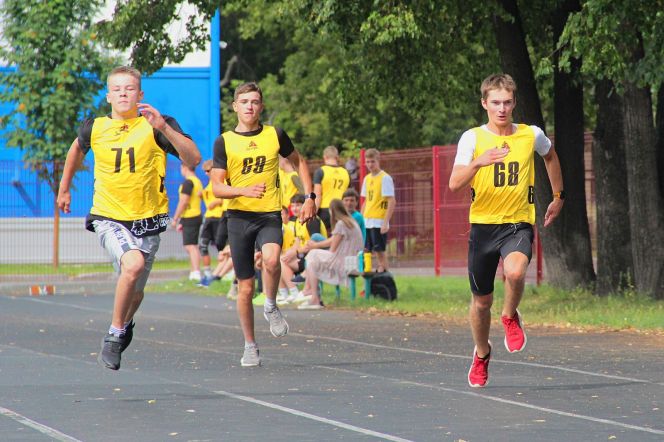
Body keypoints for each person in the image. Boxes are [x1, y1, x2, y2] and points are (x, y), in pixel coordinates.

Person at [56, 65, 200, 370]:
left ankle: (125, 323)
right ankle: (114, 333)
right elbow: (76, 151)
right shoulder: (94, 127)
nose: (123, 93)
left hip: (148, 220)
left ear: (140, 94)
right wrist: (64, 188)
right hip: (109, 216)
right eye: (117, 89)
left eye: (129, 89)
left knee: (136, 293)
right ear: (108, 95)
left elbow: (193, 158)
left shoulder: (155, 125)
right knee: (131, 264)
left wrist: (164, 128)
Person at [448, 73, 564, 388]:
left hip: (517, 223)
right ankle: (482, 353)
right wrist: (478, 163)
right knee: (481, 303)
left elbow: (550, 156)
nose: (502, 108)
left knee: (515, 273)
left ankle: (510, 315)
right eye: (495, 102)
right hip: (483, 228)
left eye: (507, 102)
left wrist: (557, 196)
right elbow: (454, 183)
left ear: (514, 103)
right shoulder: (472, 138)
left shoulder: (530, 134)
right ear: (485, 103)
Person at [209, 81, 315, 367]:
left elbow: (299, 162)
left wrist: (310, 196)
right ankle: (250, 345)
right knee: (244, 288)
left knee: (271, 260)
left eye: (255, 102)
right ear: (235, 106)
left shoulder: (274, 134)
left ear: (261, 106)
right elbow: (217, 188)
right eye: (244, 102)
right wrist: (242, 190)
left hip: (269, 213)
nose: (250, 107)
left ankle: (270, 304)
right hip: (238, 216)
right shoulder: (224, 141)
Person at [297, 199, 364, 309]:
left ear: (332, 211)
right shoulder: (350, 222)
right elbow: (333, 240)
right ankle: (312, 294)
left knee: (312, 256)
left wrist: (314, 246)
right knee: (313, 258)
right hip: (353, 261)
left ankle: (312, 295)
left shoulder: (341, 224)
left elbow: (333, 249)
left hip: (345, 262)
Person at [279, 194, 327, 303]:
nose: (295, 208)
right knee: (280, 259)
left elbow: (315, 242)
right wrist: (290, 252)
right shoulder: (297, 221)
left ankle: (296, 292)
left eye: (298, 205)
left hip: (318, 255)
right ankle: (287, 294)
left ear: (305, 206)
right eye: (293, 206)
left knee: (282, 261)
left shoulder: (312, 219)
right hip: (304, 255)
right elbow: (297, 242)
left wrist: (295, 252)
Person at [360, 148, 396, 273]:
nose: (370, 165)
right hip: (367, 220)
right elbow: (366, 201)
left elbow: (391, 201)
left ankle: (385, 273)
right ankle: (369, 275)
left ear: (378, 161)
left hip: (378, 220)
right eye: (368, 162)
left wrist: (385, 222)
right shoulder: (367, 179)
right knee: (366, 250)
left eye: (372, 162)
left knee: (379, 250)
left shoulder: (385, 178)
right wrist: (360, 219)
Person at [171, 164, 204, 283]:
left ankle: (196, 272)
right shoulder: (197, 181)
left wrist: (175, 218)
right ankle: (193, 271)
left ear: (185, 168)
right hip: (193, 215)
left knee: (191, 246)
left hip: (191, 215)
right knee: (190, 245)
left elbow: (184, 201)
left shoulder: (188, 182)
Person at [198, 159, 230, 282]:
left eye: (208, 171)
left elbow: (222, 196)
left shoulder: (220, 180)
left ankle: (224, 270)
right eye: (205, 171)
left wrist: (214, 202)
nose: (206, 173)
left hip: (218, 215)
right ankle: (208, 272)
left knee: (221, 243)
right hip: (211, 216)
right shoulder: (209, 183)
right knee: (205, 244)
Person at [314, 145, 350, 231]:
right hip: (341, 209)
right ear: (337, 157)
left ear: (325, 157)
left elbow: (317, 195)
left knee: (324, 238)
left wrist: (314, 212)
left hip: (325, 210)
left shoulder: (320, 171)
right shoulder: (345, 172)